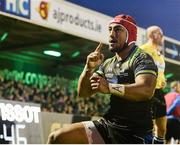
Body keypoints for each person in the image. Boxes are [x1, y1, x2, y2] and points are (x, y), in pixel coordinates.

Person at [47, 14, 158, 144]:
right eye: (110, 30)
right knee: (57, 137)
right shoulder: (108, 63)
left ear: (130, 34)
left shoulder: (142, 58)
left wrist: (110, 87)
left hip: (135, 134)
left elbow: (146, 90)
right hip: (108, 125)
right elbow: (84, 92)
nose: (111, 34)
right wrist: (88, 69)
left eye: (117, 29)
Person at [140, 26, 167, 143]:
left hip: (159, 92)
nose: (162, 36)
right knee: (146, 127)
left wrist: (163, 80)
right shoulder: (143, 49)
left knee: (162, 128)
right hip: (147, 91)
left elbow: (160, 72)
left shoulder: (159, 54)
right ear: (151, 35)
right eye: (160, 34)